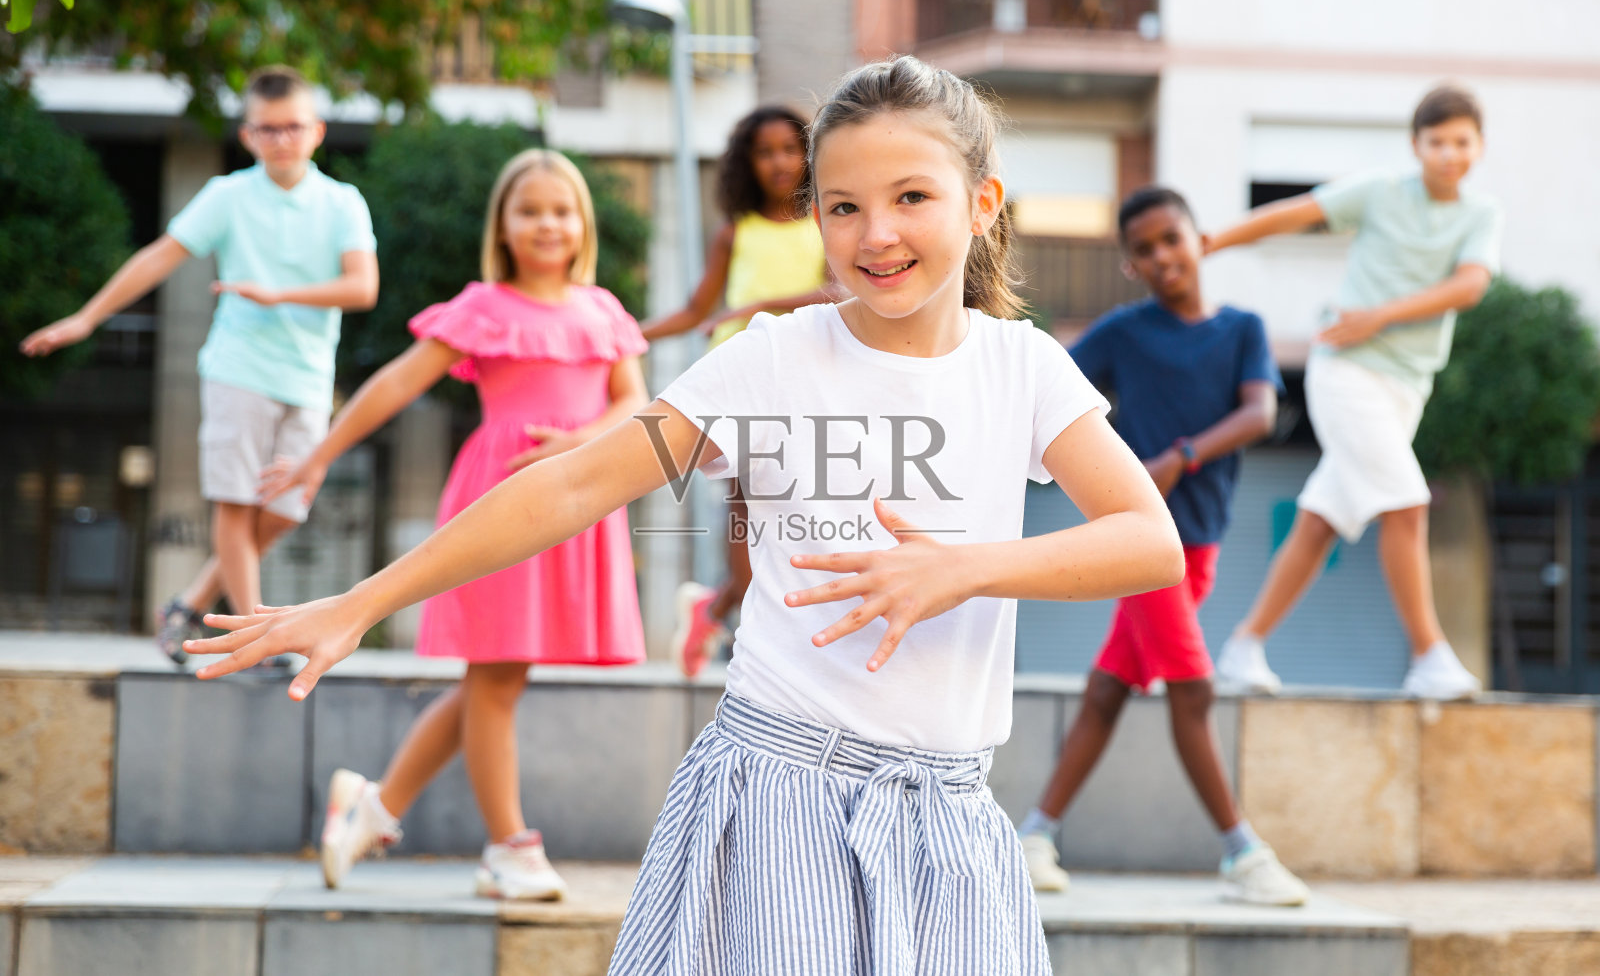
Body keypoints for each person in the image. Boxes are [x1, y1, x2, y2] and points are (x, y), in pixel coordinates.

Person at [189, 56, 1184, 972]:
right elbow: (575, 484)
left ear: (982, 203)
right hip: (780, 792)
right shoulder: (775, 355)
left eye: (911, 198)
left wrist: (963, 568)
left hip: (952, 816)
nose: (875, 234)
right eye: (841, 207)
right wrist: (363, 603)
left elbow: (1147, 542)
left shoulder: (1020, 367)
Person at [258, 149, 648, 900]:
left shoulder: (603, 310)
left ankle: (374, 806)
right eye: (528, 209)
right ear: (502, 224)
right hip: (500, 501)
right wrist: (317, 456)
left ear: (583, 223)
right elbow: (397, 382)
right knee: (496, 675)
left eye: (561, 210)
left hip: (578, 498)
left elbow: (634, 399)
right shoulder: (481, 306)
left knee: (495, 678)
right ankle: (510, 846)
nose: (546, 223)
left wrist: (584, 439)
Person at [20, 65, 379, 665]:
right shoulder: (228, 196)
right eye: (268, 129)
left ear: (316, 131)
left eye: (292, 127)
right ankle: (257, 639)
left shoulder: (342, 202)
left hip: (308, 379)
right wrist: (87, 318)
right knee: (235, 507)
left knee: (286, 511)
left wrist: (278, 294)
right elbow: (161, 255)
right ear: (248, 136)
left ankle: (187, 604)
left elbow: (361, 287)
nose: (281, 139)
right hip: (237, 370)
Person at [1016, 187, 1308, 907]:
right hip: (1143, 540)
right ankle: (1242, 851)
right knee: (1193, 686)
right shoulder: (1123, 333)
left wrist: (1179, 455)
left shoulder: (1242, 329)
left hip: (1201, 543)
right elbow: (1049, 387)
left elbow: (1259, 412)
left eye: (1170, 239)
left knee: (1112, 688)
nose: (1161, 257)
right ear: (1130, 265)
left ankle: (1033, 835)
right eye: (1143, 250)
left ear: (1198, 239)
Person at [1206, 84, 1502, 700]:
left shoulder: (1480, 216)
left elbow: (1470, 286)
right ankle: (1428, 656)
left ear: (1479, 146)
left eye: (1462, 142)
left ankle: (1243, 647)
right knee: (1408, 505)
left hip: (1406, 387)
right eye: (1437, 142)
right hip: (1347, 373)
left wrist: (1383, 314)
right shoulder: (1381, 191)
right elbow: (1295, 214)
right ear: (1416, 146)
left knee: (1320, 522)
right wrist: (1213, 241)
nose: (1450, 153)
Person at [638, 105, 838, 676]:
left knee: (798, 516)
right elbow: (697, 311)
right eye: (765, 151)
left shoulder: (827, 220)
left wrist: (760, 306)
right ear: (746, 164)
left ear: (810, 156)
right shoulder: (736, 233)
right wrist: (624, 333)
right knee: (745, 512)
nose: (779, 162)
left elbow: (838, 293)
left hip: (804, 377)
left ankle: (717, 604)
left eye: (789, 149)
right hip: (739, 381)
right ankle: (743, 622)